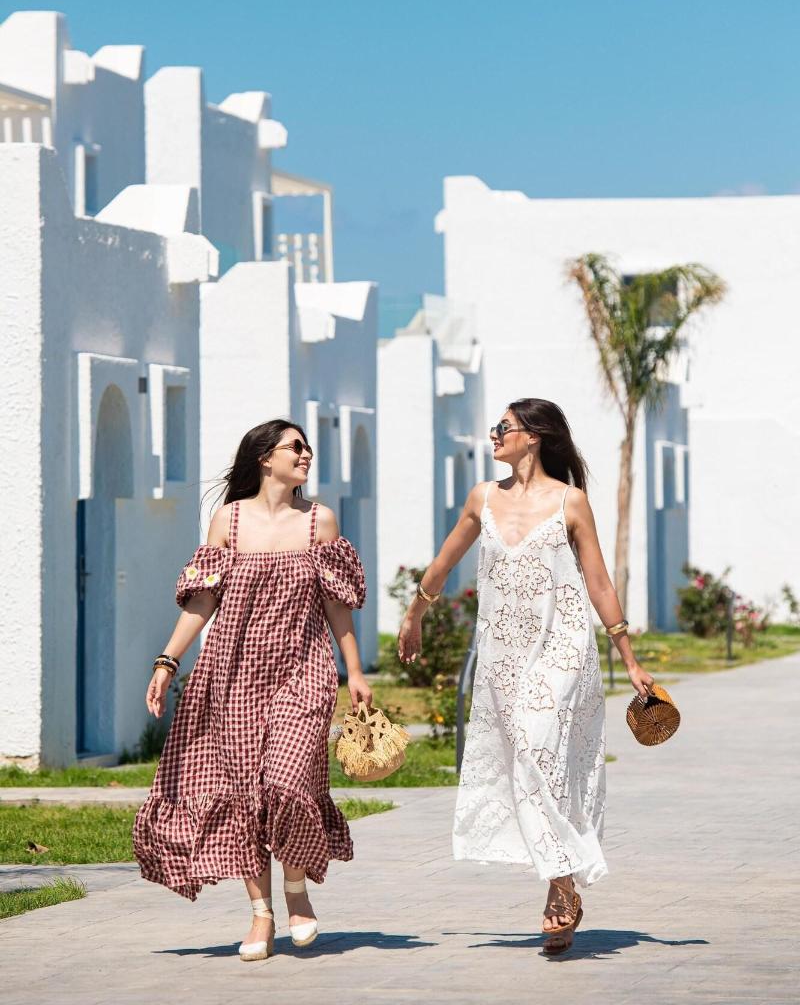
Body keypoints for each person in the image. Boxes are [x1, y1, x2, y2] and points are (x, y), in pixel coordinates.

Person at [397, 398, 654, 955]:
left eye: (503, 427)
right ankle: (563, 875)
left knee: (539, 748)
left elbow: (599, 583)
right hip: (503, 654)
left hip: (562, 649)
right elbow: (444, 561)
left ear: (533, 436)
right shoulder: (482, 498)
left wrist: (629, 658)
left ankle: (560, 883)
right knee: (526, 760)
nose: (494, 435)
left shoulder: (570, 501)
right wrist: (416, 612)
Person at [134, 419, 372, 961]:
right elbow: (202, 600)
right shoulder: (229, 520)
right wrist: (168, 660)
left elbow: (337, 603)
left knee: (289, 780)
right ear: (266, 458)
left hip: (304, 670)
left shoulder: (319, 521)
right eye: (296, 446)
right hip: (233, 674)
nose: (306, 454)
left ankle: (296, 890)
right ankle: (261, 913)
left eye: (307, 447)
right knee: (245, 793)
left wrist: (355, 671)